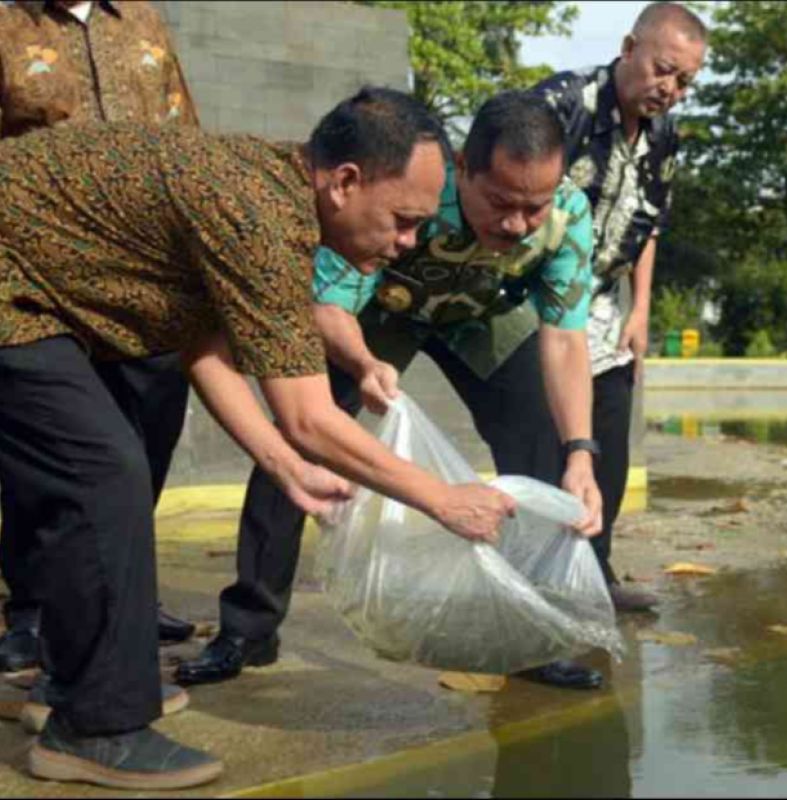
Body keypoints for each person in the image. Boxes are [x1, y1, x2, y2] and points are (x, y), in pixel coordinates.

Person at [0, 86, 515, 790]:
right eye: (403, 220)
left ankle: (76, 687)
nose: (409, 243)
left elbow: (203, 347)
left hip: (27, 289)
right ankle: (95, 727)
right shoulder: (257, 213)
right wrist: (442, 499)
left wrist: (280, 464)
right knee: (102, 474)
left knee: (94, 474)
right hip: (10, 290)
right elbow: (308, 415)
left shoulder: (265, 192)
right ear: (345, 182)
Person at [176, 91, 608, 691]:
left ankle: (533, 633)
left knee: (540, 439)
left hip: (484, 314)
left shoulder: (567, 218)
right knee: (303, 440)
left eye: (533, 207)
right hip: (377, 313)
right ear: (463, 170)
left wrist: (582, 451)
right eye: (501, 202)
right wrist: (360, 362)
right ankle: (249, 628)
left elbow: (563, 339)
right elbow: (327, 304)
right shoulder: (412, 188)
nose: (516, 223)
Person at [0, 0, 201, 678]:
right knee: (58, 455)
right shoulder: (5, 26)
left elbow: (186, 131)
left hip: (146, 276)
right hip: (43, 280)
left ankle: (122, 595)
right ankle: (33, 609)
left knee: (147, 435)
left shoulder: (143, 20)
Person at [533, 1, 707, 611]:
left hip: (606, 301)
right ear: (630, 47)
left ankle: (596, 576)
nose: (671, 89)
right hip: (537, 296)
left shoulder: (663, 135)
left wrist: (641, 311)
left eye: (686, 81)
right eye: (664, 70)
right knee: (547, 442)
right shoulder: (563, 104)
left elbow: (649, 223)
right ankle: (543, 583)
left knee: (609, 440)